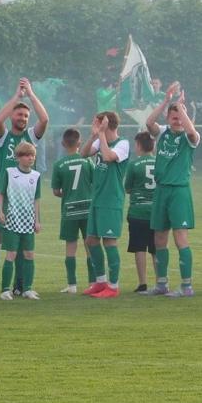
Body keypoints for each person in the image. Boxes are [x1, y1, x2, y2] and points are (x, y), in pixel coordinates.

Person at [0, 79, 49, 295]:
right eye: (19, 115)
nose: (23, 118)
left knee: (21, 242)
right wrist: (16, 98)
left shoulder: (31, 137)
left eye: (26, 116)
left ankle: (20, 284)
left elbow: (45, 118)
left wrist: (31, 93)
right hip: (4, 194)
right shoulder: (4, 137)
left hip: (25, 196)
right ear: (13, 116)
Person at [145, 83, 200, 297]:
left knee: (180, 239)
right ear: (168, 118)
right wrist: (167, 102)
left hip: (179, 191)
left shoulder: (190, 137)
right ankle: (161, 283)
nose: (177, 119)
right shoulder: (162, 133)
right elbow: (149, 122)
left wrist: (181, 108)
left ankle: (186, 286)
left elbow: (192, 131)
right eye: (173, 116)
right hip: (162, 191)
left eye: (180, 117)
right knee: (159, 238)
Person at [81, 111, 129, 299]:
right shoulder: (98, 140)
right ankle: (100, 282)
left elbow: (108, 157)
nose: (96, 125)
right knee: (91, 240)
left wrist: (101, 134)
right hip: (97, 199)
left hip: (111, 200)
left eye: (99, 123)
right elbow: (83, 153)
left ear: (107, 124)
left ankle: (114, 286)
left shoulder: (123, 144)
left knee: (109, 241)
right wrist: (94, 134)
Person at [50, 128, 94, 294]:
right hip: (88, 208)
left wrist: (67, 194)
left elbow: (56, 191)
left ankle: (72, 285)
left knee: (71, 247)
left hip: (70, 209)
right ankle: (92, 283)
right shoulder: (88, 161)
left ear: (63, 144)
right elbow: (94, 182)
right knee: (90, 246)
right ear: (79, 143)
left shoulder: (59, 165)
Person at [0, 141, 41, 300]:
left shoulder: (36, 176)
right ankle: (5, 290)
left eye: (33, 155)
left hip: (28, 222)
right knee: (11, 254)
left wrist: (37, 220)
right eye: (27, 155)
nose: (31, 158)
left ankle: (27, 289)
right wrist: (0, 211)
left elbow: (36, 199)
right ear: (18, 157)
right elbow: (1, 193)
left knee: (29, 254)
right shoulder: (9, 172)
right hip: (12, 221)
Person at [124, 131, 157, 294]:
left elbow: (128, 187)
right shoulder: (160, 163)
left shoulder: (134, 164)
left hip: (138, 212)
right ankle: (161, 281)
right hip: (156, 212)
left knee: (139, 248)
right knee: (157, 248)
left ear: (138, 145)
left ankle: (143, 282)